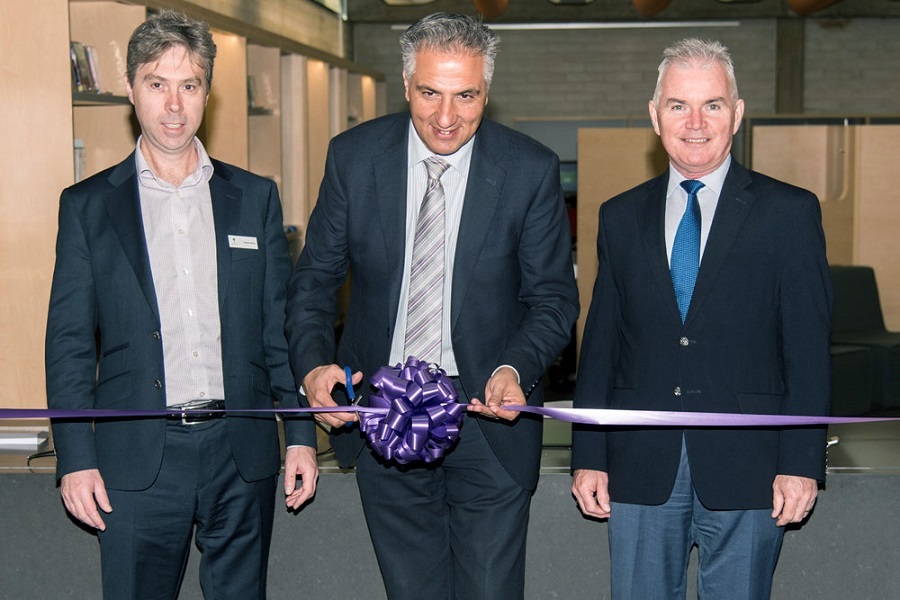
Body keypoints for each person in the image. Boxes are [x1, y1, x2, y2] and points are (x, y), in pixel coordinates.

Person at [285, 12, 579, 599]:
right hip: (382, 418)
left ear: (487, 92)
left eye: (465, 96)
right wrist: (315, 367)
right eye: (430, 94)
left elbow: (552, 299)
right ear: (405, 83)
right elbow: (313, 283)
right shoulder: (354, 158)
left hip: (487, 421)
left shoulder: (529, 169)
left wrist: (513, 368)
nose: (446, 117)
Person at [45, 10, 318, 599]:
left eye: (189, 85)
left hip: (240, 453)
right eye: (157, 84)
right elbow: (67, 342)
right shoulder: (87, 208)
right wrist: (74, 457)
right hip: (137, 462)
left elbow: (280, 331)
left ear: (207, 93)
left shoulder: (255, 199)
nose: (174, 105)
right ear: (130, 87)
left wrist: (299, 435)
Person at [571, 38, 832, 599]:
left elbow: (807, 350)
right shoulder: (619, 217)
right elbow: (600, 346)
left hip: (752, 470)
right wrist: (588, 455)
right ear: (654, 114)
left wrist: (802, 462)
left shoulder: (790, 213)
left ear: (736, 114)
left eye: (712, 104)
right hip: (639, 468)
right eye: (677, 105)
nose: (695, 122)